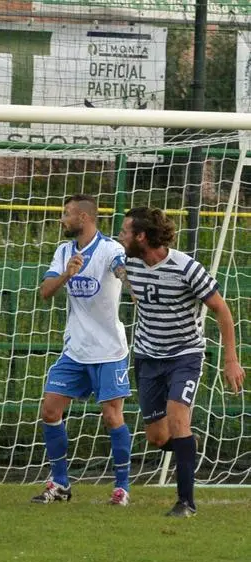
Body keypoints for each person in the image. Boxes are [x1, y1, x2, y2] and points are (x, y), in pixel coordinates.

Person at [119, 206, 245, 517]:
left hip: (184, 355)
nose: (120, 237)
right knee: (158, 437)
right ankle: (187, 443)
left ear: (141, 236)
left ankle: (186, 502)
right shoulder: (126, 263)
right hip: (147, 356)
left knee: (178, 420)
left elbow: (222, 311)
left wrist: (230, 359)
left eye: (124, 232)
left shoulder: (186, 267)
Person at [32, 194, 133, 506]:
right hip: (75, 348)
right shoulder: (64, 252)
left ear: (85, 218)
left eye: (67, 214)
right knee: (50, 409)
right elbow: (45, 292)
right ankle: (60, 483)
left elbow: (120, 270)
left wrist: (128, 282)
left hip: (109, 350)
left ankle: (122, 487)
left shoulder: (109, 248)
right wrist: (67, 275)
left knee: (112, 415)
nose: (63, 219)